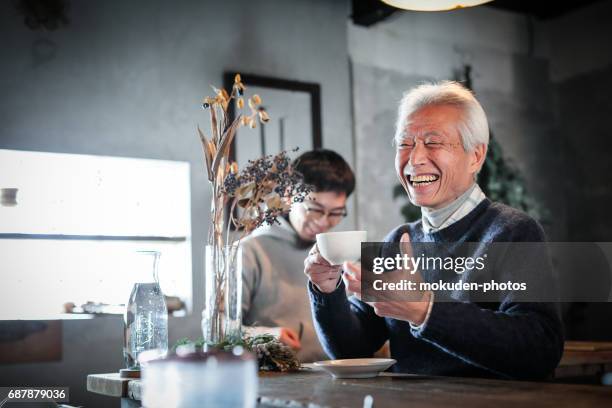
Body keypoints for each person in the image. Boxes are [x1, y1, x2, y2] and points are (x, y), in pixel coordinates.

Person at [305, 82, 564, 380]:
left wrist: (425, 310)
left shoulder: (513, 232)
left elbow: (540, 349)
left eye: (433, 142)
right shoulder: (396, 241)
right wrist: (328, 289)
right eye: (404, 144)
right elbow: (351, 352)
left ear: (476, 156)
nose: (414, 159)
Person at [241, 148, 355, 363]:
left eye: (336, 213)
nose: (323, 222)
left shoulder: (338, 252)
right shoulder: (250, 251)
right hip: (275, 384)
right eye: (314, 208)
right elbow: (217, 330)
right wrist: (268, 337)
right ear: (288, 195)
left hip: (334, 378)